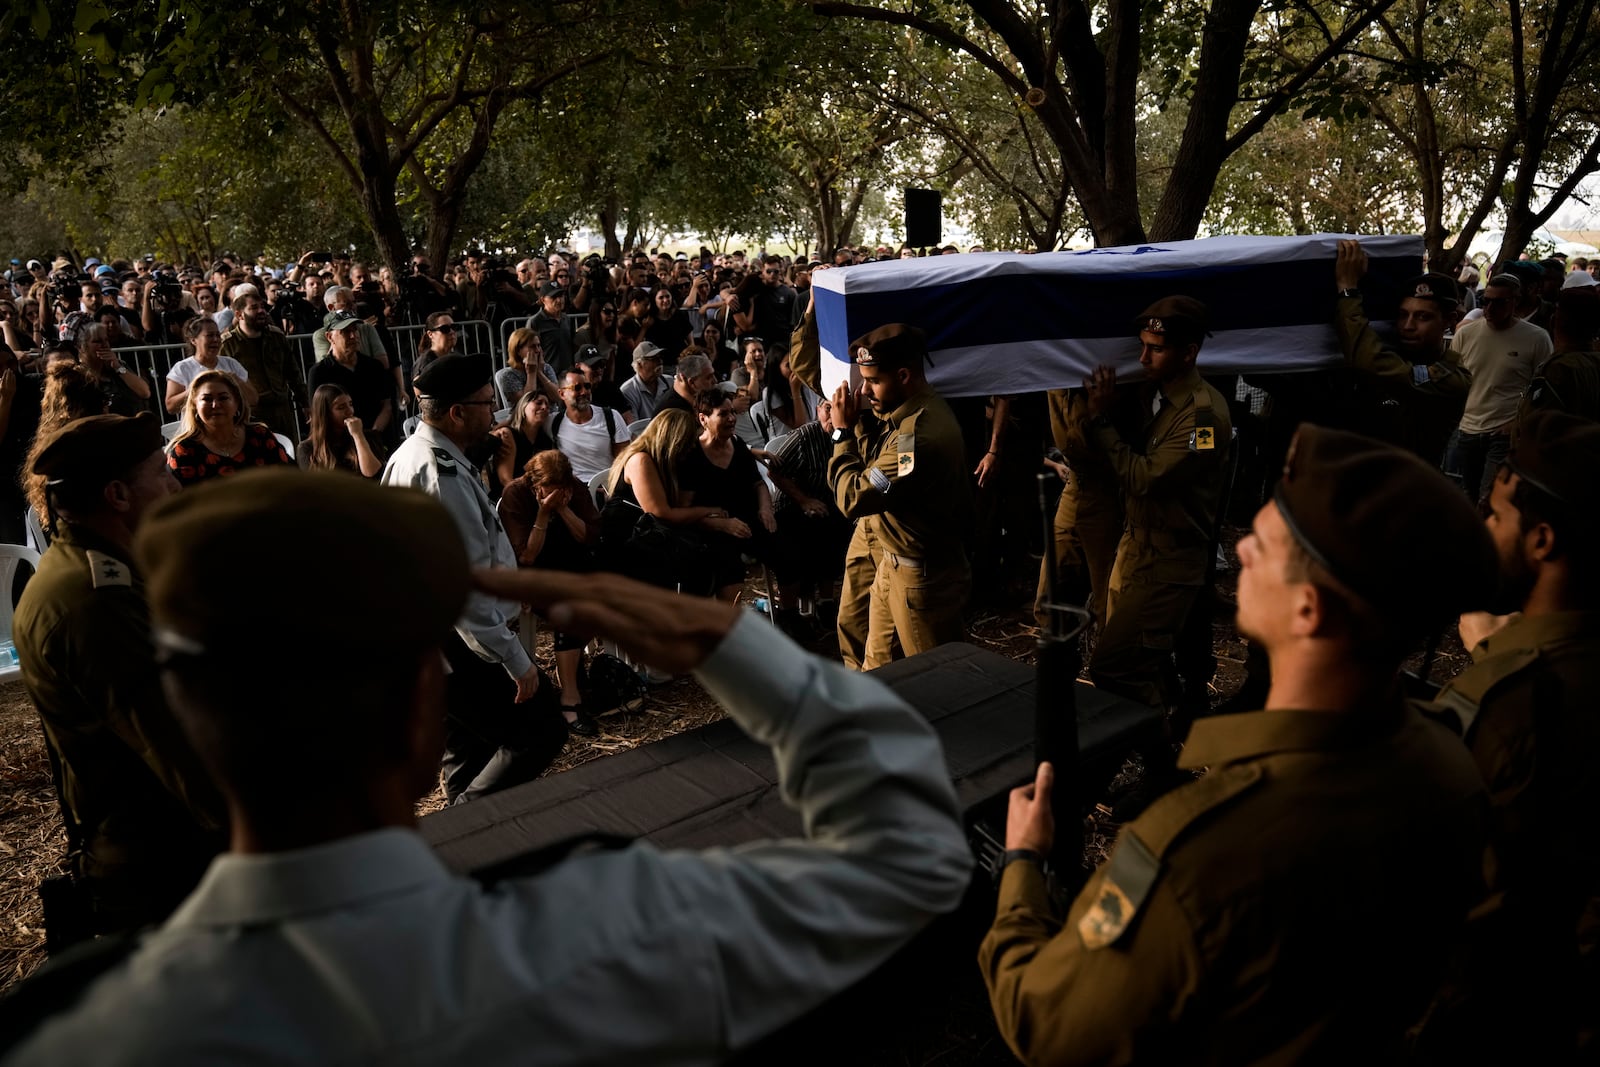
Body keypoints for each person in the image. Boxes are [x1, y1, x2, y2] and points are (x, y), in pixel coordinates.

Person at [3, 470, 972, 1064]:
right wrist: (732, 644)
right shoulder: (614, 936)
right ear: (424, 703)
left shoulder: (78, 1038)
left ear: (188, 711)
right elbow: (916, 857)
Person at [981, 424, 1496, 1064]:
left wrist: (1023, 865)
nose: (1243, 550)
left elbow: (1044, 1026)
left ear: (1309, 610)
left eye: (1268, 542)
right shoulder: (1451, 764)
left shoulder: (1201, 853)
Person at [1416, 410, 1600, 1059]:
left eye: (1496, 516)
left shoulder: (1497, 705)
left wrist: (1498, 665)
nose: (1482, 525)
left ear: (1543, 541)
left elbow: (1435, 900)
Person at [12, 413, 225, 945]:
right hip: (162, 863)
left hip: (170, 848)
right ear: (118, 495)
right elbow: (180, 748)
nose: (175, 483)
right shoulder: (90, 601)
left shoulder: (109, 572)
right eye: (161, 474)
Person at [381, 352, 567, 804]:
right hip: (457, 640)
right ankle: (471, 815)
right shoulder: (437, 473)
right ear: (457, 412)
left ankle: (469, 836)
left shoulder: (425, 454)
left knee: (470, 745)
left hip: (435, 636)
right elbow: (465, 585)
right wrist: (516, 662)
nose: (496, 412)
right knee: (541, 730)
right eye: (486, 403)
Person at [1081, 297, 1233, 712]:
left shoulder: (1202, 417)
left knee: (1115, 668)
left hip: (1168, 563)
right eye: (1142, 345)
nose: (1143, 357)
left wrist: (1100, 424)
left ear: (1189, 353)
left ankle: (1161, 758)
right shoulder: (1158, 395)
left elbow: (1144, 477)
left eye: (1157, 349)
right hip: (1136, 550)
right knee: (1138, 662)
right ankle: (1163, 754)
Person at [828, 324, 973, 670]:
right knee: (879, 670)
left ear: (904, 375)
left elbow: (854, 497)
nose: (864, 391)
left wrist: (841, 434)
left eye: (874, 381)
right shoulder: (909, 416)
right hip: (896, 566)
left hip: (921, 581)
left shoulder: (916, 439)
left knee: (938, 678)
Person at [1333, 240, 1471, 461]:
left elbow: (1372, 361)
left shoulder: (1452, 380)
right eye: (1402, 315)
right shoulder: (1397, 355)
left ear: (1450, 320)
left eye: (1423, 317)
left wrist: (1348, 290)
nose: (1408, 326)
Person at [498, 449, 602, 735]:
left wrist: (564, 509)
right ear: (535, 484)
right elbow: (527, 555)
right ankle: (570, 698)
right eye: (550, 490)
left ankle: (577, 669)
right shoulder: (516, 495)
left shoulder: (574, 488)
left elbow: (588, 537)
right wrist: (544, 513)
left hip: (574, 566)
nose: (558, 494)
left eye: (562, 489)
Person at [1446, 273, 1552, 502]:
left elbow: (1542, 385)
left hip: (1504, 431)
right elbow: (1453, 379)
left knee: (1490, 496)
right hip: (1467, 429)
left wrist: (1518, 421)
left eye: (1499, 302)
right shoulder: (1465, 334)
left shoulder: (1536, 338)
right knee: (1468, 494)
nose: (1490, 308)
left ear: (1515, 301)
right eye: (1486, 301)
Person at [681, 390, 776, 602]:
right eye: (723, 414)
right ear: (703, 419)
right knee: (728, 568)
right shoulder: (692, 456)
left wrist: (765, 508)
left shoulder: (739, 445)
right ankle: (729, 626)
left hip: (748, 520)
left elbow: (758, 483)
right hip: (712, 530)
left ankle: (790, 613)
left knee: (787, 548)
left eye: (733, 412)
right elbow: (685, 511)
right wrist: (721, 525)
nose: (732, 418)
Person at [166, 370, 292, 488]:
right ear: (195, 406)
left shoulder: (260, 436)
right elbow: (182, 503)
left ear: (237, 403)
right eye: (207, 399)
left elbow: (289, 477)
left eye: (223, 398)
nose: (215, 405)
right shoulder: (184, 451)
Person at [217, 292, 308, 441]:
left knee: (289, 457)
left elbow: (293, 373)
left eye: (262, 307)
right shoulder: (228, 344)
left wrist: (305, 402)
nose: (261, 311)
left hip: (282, 410)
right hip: (252, 414)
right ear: (239, 315)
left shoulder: (276, 337)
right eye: (253, 308)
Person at [309, 314, 394, 441]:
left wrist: (372, 436)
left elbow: (386, 406)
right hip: (339, 442)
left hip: (376, 438)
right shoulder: (319, 372)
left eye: (355, 330)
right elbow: (318, 415)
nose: (353, 336)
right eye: (345, 332)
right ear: (329, 336)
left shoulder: (374, 366)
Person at [549, 369, 631, 486]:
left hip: (606, 486)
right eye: (577, 388)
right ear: (562, 394)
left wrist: (613, 487)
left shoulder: (611, 417)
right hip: (574, 490)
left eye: (587, 386)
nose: (584, 392)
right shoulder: (554, 422)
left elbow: (624, 460)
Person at [164, 316, 257, 416]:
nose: (216, 339)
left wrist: (235, 380)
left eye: (218, 335)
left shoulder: (231, 364)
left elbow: (253, 399)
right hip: (197, 428)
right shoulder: (182, 368)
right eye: (210, 335)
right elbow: (171, 407)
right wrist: (196, 388)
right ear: (193, 340)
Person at [298, 384, 384, 477]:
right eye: (341, 407)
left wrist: (358, 436)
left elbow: (373, 473)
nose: (350, 411)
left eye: (350, 404)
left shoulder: (366, 437)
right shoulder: (307, 449)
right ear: (326, 414)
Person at [488, 386, 556, 500]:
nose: (544, 407)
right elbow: (505, 480)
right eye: (539, 403)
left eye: (547, 405)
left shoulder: (545, 441)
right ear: (523, 406)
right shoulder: (508, 435)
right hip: (509, 497)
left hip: (536, 495)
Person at [496, 327, 559, 410]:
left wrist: (540, 372)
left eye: (538, 345)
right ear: (518, 351)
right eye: (532, 346)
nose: (537, 350)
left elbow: (557, 397)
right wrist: (531, 374)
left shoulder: (546, 368)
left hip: (551, 416)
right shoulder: (508, 375)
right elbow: (526, 404)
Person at [618, 340, 670, 421]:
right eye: (653, 359)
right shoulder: (628, 390)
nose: (660, 361)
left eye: (660, 357)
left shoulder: (670, 381)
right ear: (639, 364)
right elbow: (634, 427)